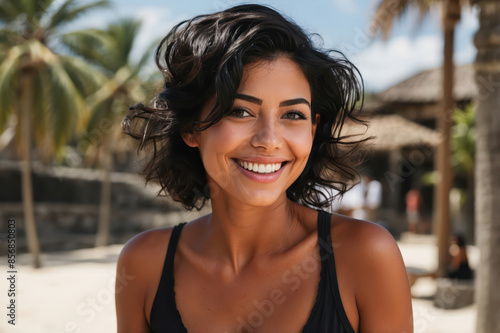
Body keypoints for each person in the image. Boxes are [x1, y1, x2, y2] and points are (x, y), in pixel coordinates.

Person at [117, 4, 413, 333]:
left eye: (293, 115)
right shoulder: (144, 264)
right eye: (241, 112)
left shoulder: (365, 255)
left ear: (312, 130)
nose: (269, 140)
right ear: (190, 128)